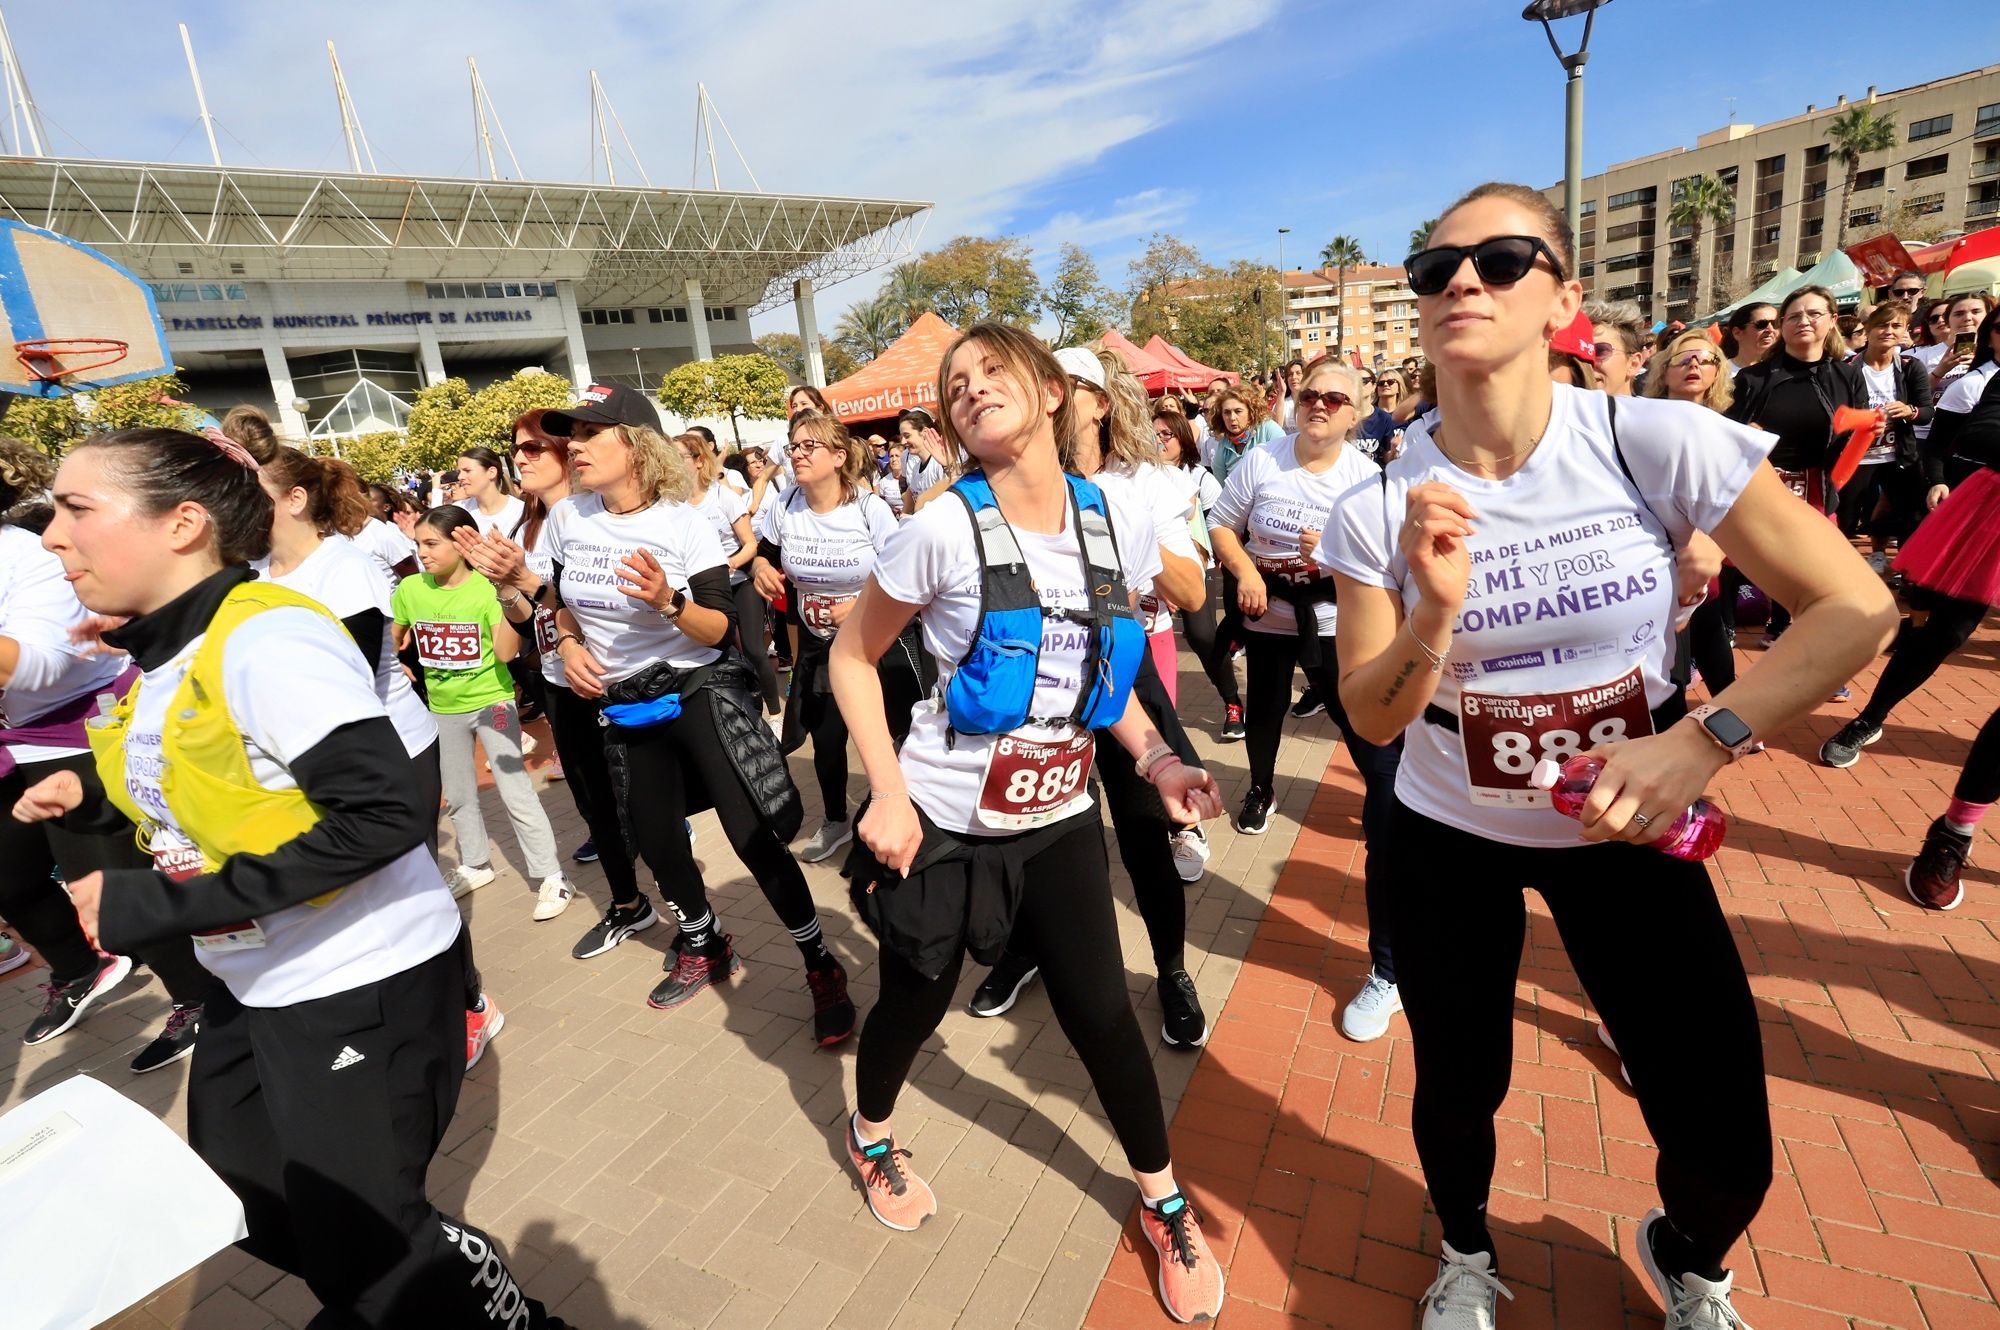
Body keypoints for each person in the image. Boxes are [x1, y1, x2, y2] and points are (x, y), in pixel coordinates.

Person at [1325, 181, 1896, 1330]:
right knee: (1459, 1080)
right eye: (1432, 270)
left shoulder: (1651, 440)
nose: (1459, 284)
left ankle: (1687, 1251)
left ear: (1563, 300)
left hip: (1626, 822)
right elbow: (1372, 718)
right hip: (1449, 834)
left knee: (1721, 1119)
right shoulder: (1377, 498)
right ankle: (1466, 1251)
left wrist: (1703, 737)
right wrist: (1432, 614)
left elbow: (1853, 606)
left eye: (1498, 260)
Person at [17, 425, 570, 1328]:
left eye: (77, 508)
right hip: (259, 979)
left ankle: (481, 1299)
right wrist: (88, 793)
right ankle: (406, 1271)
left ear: (182, 523)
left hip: (362, 978)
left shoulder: (266, 637)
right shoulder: (160, 654)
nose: (51, 536)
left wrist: (164, 902)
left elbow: (386, 814)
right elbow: (203, 780)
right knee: (248, 1201)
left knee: (371, 1248)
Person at [828, 322, 1227, 1323]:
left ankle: (1160, 1198)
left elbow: (1100, 678)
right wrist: (883, 788)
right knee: (915, 1000)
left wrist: (1158, 754)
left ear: (1054, 392)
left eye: (990, 370)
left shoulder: (1114, 521)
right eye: (953, 383)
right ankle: (869, 1135)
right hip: (941, 823)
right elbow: (849, 655)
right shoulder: (937, 528)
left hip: (1057, 816)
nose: (968, 389)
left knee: (1099, 1012)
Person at [538, 385, 856, 1040]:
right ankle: (705, 941)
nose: (575, 446)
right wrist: (567, 640)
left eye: (590, 434)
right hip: (624, 708)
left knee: (752, 837)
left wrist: (668, 602)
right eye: (570, 434)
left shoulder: (682, 523)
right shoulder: (571, 518)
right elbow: (561, 598)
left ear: (635, 443)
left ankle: (819, 960)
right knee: (656, 841)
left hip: (695, 692)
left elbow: (717, 630)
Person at [966, 346, 1212, 1043]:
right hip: (1032, 680)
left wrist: (1104, 521)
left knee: (1144, 834)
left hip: (1122, 673)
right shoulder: (1005, 477)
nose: (1047, 397)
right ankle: (1026, 950)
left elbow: (1192, 592)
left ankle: (1171, 970)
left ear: (1098, 402)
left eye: (1064, 385)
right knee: (1031, 831)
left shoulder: (1145, 484)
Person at [1208, 356, 1406, 1043]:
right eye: (1310, 395)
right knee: (1263, 716)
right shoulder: (1261, 462)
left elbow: (1390, 566)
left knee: (1370, 742)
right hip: (1268, 614)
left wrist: (1338, 554)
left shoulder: (1366, 478)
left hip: (1337, 627)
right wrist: (1241, 573)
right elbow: (1223, 525)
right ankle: (1260, 788)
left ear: (1355, 415)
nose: (1319, 406)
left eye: (1334, 399)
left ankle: (1385, 811)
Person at [0, 437, 215, 1070]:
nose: (60, 534)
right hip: (12, 742)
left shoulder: (23, 554)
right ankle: (79, 968)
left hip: (77, 735)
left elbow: (44, 666)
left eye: (77, 511)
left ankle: (202, 1002)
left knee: (118, 897)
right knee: (7, 878)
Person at [454, 409, 638, 890]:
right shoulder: (525, 526)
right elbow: (520, 623)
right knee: (588, 791)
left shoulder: (601, 515)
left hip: (613, 673)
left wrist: (529, 583)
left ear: (563, 452)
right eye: (515, 449)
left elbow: (606, 598)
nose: (520, 457)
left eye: (532, 447)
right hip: (556, 675)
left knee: (635, 789)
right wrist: (502, 586)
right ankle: (625, 900)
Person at [1823, 304, 2000, 770]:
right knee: (1946, 631)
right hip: (1988, 513)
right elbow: (1971, 438)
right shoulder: (1991, 379)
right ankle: (1870, 717)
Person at [751, 409, 928, 863]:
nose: (799, 454)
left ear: (838, 455)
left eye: (810, 446)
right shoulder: (786, 503)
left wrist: (863, 606)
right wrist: (761, 568)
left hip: (877, 638)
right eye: (794, 446)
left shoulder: (867, 508)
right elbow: (764, 552)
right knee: (827, 737)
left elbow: (903, 570)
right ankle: (835, 821)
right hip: (817, 641)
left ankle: (916, 810)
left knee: (901, 730)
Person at [391, 505, 570, 917]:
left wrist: (500, 589)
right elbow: (394, 635)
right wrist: (394, 657)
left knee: (515, 791)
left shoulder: (486, 590)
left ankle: (551, 877)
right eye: (418, 544)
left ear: (461, 542)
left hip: (495, 706)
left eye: (431, 543)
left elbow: (507, 652)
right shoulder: (410, 589)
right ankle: (475, 864)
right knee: (457, 795)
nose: (423, 552)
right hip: (442, 710)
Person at [1726, 285, 1867, 647]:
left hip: (1819, 488)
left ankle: (1797, 639)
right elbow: (1724, 437)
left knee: (1817, 573)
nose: (1803, 321)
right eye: (1793, 316)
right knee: (1740, 566)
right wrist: (1746, 436)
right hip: (1761, 489)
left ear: (1832, 321)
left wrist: (1865, 430)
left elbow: (1854, 439)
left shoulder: (1847, 375)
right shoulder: (1754, 379)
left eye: (1814, 314)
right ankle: (1728, 629)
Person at [1643, 332, 1745, 704]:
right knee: (1675, 648)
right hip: (1656, 547)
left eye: (1705, 359)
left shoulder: (1729, 431)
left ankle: (1729, 713)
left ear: (1718, 372)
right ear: (1663, 371)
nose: (1694, 365)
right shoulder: (1638, 423)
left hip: (1706, 546)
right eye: (1683, 359)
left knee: (1708, 625)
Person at [679, 428, 781, 717]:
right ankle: (742, 712)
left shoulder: (722, 497)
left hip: (739, 582)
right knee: (720, 654)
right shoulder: (673, 505)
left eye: (679, 457)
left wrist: (731, 563)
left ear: (699, 461)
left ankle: (774, 714)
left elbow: (751, 545)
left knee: (753, 649)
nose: (672, 463)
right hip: (703, 592)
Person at [1155, 407, 1242, 738]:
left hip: (1195, 567)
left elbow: (1217, 522)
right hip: (1151, 573)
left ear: (1183, 438)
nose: (1160, 441)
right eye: (1155, 434)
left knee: (1202, 636)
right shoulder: (1138, 473)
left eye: (1167, 434)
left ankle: (1233, 703)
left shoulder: (1198, 476)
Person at [1841, 304, 1933, 555]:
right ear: (1868, 330)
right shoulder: (1847, 368)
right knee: (1846, 517)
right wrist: (1862, 419)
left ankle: (1899, 566)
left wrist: (1908, 411)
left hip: (1899, 455)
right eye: (1882, 325)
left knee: (1909, 516)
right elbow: (1836, 415)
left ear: (1904, 330)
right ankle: (1841, 568)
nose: (1888, 331)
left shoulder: (1910, 366)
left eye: (1896, 326)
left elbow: (1927, 412)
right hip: (1858, 457)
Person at [1201, 385, 1283, 485]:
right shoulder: (1223, 445)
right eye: (1226, 412)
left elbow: (1287, 468)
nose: (1232, 417)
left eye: (1238, 411)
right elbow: (1221, 487)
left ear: (1251, 412)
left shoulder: (1268, 430)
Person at [358, 482, 420, 588]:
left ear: (386, 507)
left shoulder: (388, 534)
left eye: (369, 499)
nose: (363, 504)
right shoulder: (358, 532)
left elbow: (412, 577)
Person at [452, 446, 523, 537]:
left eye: (467, 470)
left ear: (491, 472)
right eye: (459, 472)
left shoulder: (520, 512)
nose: (460, 477)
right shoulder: (459, 510)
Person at [1583, 299, 1643, 395]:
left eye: (1600, 351)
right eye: (1579, 354)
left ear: (1633, 364)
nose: (1587, 364)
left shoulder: (1659, 410)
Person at [1357, 369, 1409, 464]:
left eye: (1390, 382)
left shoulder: (1408, 413)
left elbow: (1387, 457)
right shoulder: (1345, 415)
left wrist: (1394, 450)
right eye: (1381, 383)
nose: (1385, 385)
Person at [1720, 302, 1779, 378]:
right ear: (1737, 333)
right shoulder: (1719, 372)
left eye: (1776, 324)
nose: (1770, 329)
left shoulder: (1786, 370)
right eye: (1761, 324)